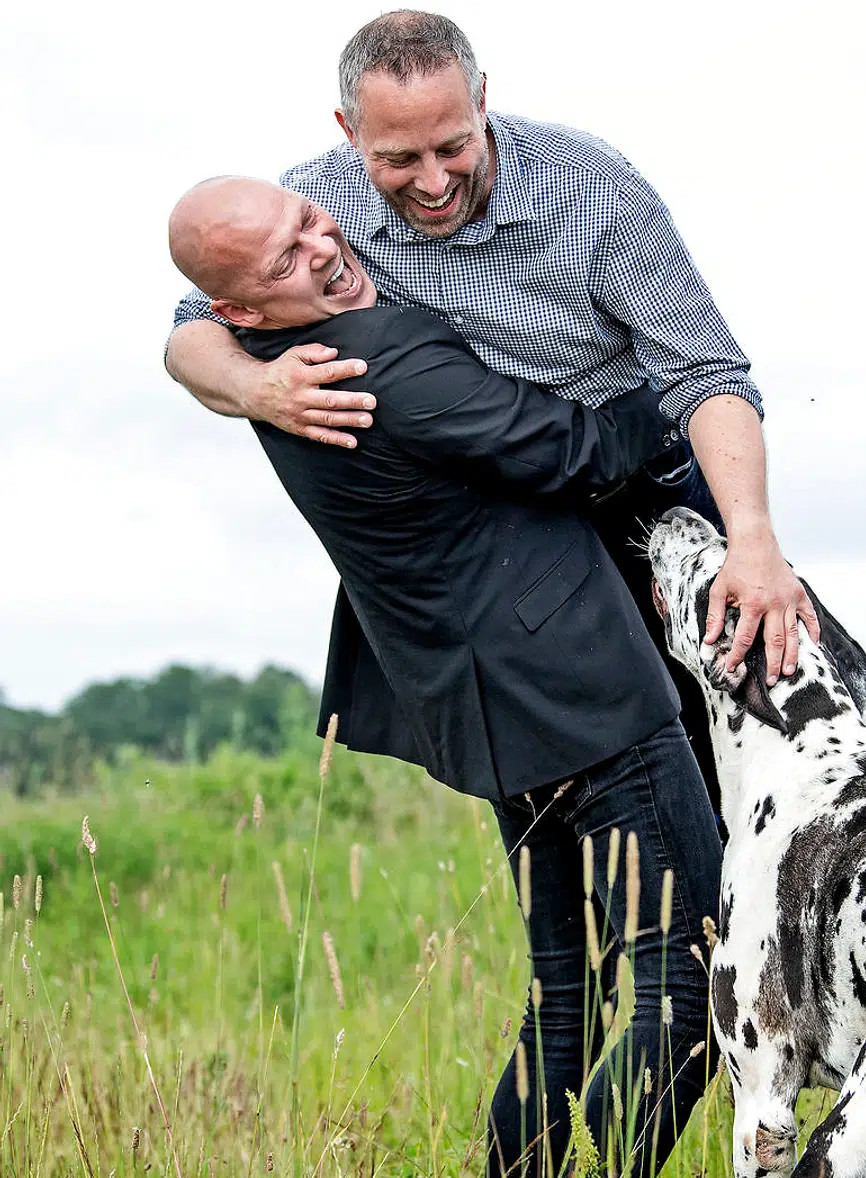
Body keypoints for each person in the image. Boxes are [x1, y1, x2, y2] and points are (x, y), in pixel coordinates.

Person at [166, 174, 724, 1178]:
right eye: (283, 261)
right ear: (240, 313)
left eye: (310, 223)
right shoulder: (387, 360)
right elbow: (576, 452)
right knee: (686, 990)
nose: (322, 248)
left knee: (563, 1004)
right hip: (586, 693)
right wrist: (669, 393)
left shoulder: (277, 371)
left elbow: (192, 331)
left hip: (495, 715)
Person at [165, 9, 817, 689]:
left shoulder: (595, 190)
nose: (434, 183)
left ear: (481, 101)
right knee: (602, 738)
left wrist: (753, 538)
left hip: (646, 486)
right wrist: (257, 388)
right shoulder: (315, 210)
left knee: (760, 700)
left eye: (452, 147)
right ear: (349, 131)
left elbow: (707, 373)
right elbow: (190, 331)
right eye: (398, 159)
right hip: (508, 532)